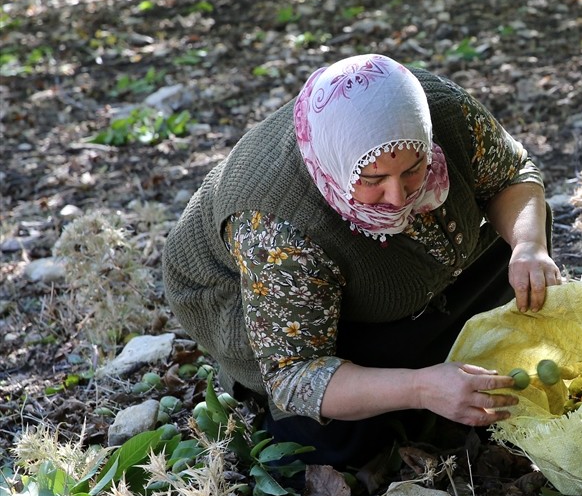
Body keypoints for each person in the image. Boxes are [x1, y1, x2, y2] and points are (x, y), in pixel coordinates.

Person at [162, 53, 561, 467]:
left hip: (416, 271)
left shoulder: (443, 109)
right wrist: (420, 388)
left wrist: (528, 246)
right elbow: (294, 374)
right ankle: (422, 371)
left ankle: (435, 353)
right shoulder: (277, 230)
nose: (399, 196)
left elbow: (513, 175)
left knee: (520, 239)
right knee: (338, 445)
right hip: (266, 302)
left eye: (414, 169)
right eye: (373, 181)